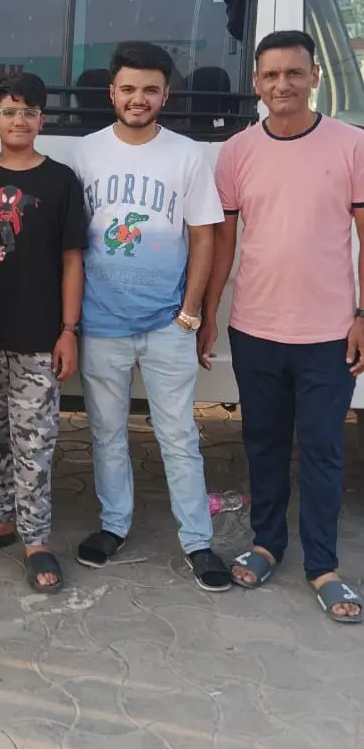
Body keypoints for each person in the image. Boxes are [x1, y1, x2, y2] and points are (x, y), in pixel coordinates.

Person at [201, 30, 363, 622]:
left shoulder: (351, 145)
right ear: (256, 84)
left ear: (315, 77)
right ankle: (268, 544)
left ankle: (323, 566)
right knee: (263, 444)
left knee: (322, 450)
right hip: (255, 327)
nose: (282, 86)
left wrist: (363, 316)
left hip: (328, 333)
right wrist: (209, 315)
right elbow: (224, 243)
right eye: (270, 76)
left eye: (294, 74)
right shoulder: (238, 151)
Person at [73, 41, 232, 592]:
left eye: (149, 89)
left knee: (179, 436)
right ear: (111, 92)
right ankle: (113, 526)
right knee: (107, 434)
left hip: (167, 323)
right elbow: (70, 243)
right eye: (128, 88)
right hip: (101, 324)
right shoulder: (84, 153)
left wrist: (191, 313)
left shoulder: (187, 155)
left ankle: (198, 541)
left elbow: (204, 236)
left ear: (165, 94)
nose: (138, 98)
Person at [0, 73, 87, 593]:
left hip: (38, 338)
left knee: (34, 442)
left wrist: (68, 330)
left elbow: (72, 261)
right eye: (9, 111)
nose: (19, 120)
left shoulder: (60, 181)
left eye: (29, 112)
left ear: (42, 120)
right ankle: (0, 520)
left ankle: (36, 540)